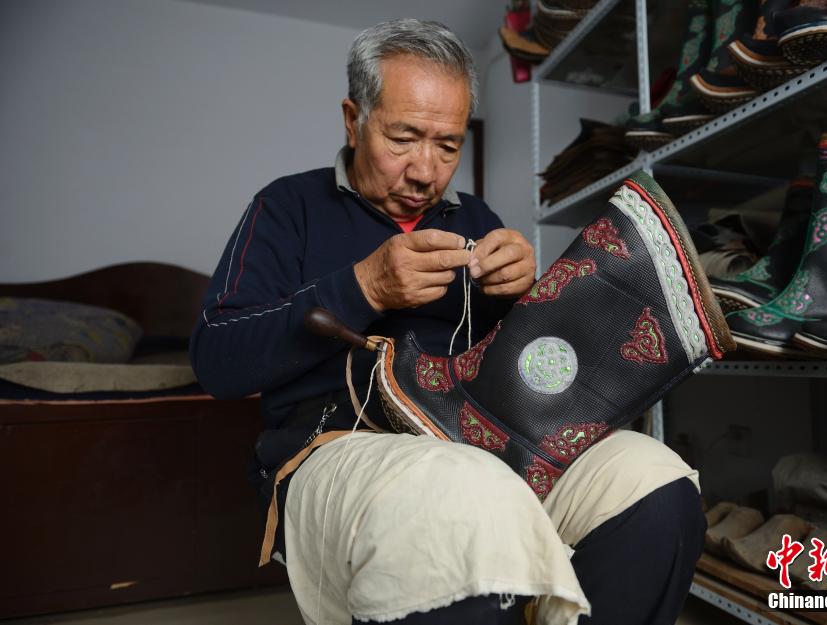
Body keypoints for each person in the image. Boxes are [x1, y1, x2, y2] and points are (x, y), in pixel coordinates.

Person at [191, 18, 705, 625]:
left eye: (448, 146)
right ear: (353, 120)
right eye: (403, 138)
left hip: (488, 435)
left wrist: (528, 296)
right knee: (461, 494)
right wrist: (364, 287)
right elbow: (217, 361)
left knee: (654, 482)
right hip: (337, 441)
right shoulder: (287, 207)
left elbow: (525, 365)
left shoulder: (476, 218)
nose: (424, 172)